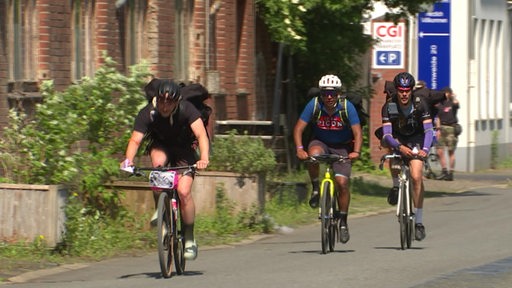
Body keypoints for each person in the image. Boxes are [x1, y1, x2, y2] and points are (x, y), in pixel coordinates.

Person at [120, 79, 210, 260]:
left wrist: (204, 158)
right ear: (157, 98)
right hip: (161, 145)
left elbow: (201, 135)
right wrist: (128, 161)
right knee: (158, 165)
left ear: (177, 102)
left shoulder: (187, 110)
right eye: (161, 100)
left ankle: (190, 238)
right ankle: (161, 213)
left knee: (184, 192)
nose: (165, 106)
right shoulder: (148, 113)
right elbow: (135, 140)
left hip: (184, 148)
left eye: (169, 102)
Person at [293, 74, 362, 244]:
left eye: (332, 94)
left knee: (342, 183)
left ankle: (343, 222)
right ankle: (316, 188)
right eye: (325, 94)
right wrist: (300, 149)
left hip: (342, 147)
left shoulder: (347, 107)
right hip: (321, 142)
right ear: (321, 94)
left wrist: (356, 152)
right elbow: (298, 129)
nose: (329, 97)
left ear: (338, 93)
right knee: (313, 156)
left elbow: (357, 132)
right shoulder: (314, 105)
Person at [380, 72, 434, 241]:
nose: (404, 94)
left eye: (407, 90)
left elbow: (429, 130)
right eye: (401, 90)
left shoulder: (420, 104)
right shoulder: (389, 106)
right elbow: (387, 134)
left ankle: (418, 221)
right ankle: (396, 185)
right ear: (396, 90)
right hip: (397, 138)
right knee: (392, 154)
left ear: (411, 90)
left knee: (417, 176)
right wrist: (399, 146)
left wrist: (425, 148)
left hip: (417, 138)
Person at [434, 87, 460, 181]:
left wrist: (454, 97)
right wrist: (438, 129)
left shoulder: (452, 103)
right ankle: (444, 170)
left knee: (450, 151)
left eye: (445, 93)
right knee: (439, 150)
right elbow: (438, 117)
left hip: (451, 128)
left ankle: (451, 172)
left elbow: (457, 103)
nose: (444, 95)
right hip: (442, 128)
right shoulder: (440, 104)